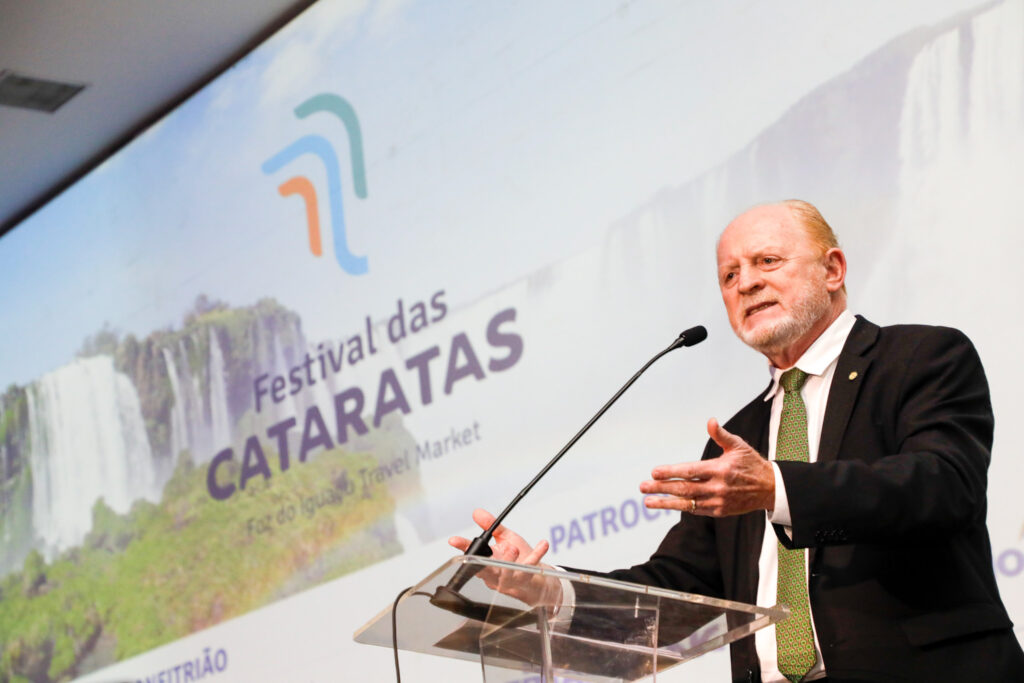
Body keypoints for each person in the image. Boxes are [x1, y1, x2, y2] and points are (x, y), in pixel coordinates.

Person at [450, 200, 1024, 682]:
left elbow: (944, 486)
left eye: (767, 261)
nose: (746, 282)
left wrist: (776, 486)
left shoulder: (921, 358)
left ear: (833, 268)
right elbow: (679, 595)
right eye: (729, 275)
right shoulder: (738, 438)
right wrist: (550, 592)